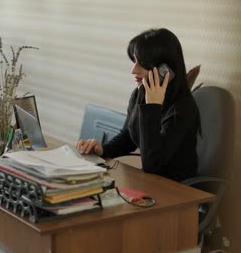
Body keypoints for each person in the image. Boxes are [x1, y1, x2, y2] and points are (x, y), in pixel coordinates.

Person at [76, 28, 201, 182]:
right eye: (134, 61)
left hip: (177, 189)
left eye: (142, 63)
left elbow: (152, 164)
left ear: (165, 70)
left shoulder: (183, 108)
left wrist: (153, 106)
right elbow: (128, 136)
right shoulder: (139, 94)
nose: (133, 70)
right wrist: (103, 149)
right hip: (150, 183)